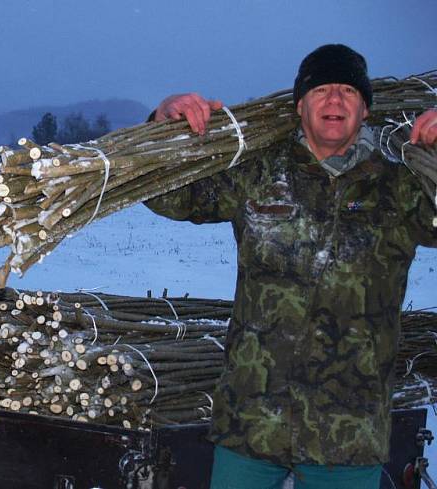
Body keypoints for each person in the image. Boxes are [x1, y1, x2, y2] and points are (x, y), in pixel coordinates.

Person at [145, 44, 437, 489]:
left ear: (365, 109)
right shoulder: (259, 171)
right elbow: (169, 195)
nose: (335, 100)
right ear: (300, 105)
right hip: (250, 426)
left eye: (347, 91)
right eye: (322, 90)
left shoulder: (399, 186)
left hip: (348, 433)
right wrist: (161, 123)